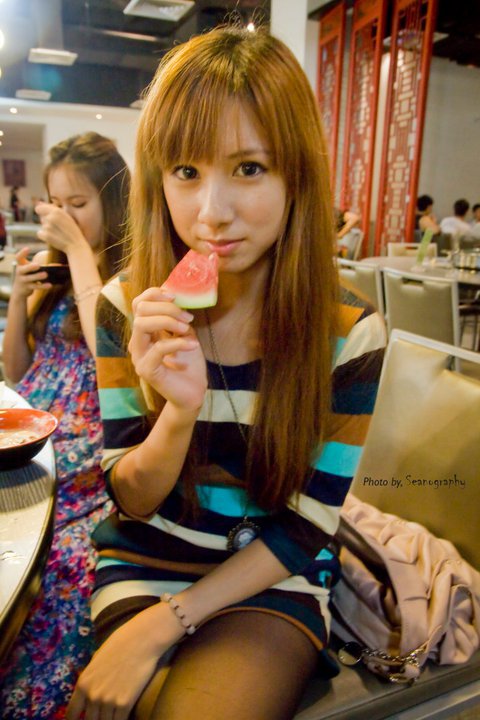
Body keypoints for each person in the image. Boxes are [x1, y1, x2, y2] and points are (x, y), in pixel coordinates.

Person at [67, 27, 386, 720]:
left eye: (248, 168)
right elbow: (130, 498)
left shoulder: (351, 332)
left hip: (272, 572)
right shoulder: (127, 305)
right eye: (186, 171)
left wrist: (165, 623)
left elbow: (307, 525)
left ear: (296, 174)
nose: (211, 214)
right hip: (146, 556)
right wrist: (178, 413)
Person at [0, 132, 130, 718]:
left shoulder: (131, 275)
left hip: (89, 434)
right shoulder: (55, 272)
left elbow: (111, 357)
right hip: (30, 420)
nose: (63, 216)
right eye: (56, 203)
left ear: (113, 202)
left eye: (78, 203)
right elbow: (16, 371)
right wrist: (17, 302)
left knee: (55, 556)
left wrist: (79, 252)